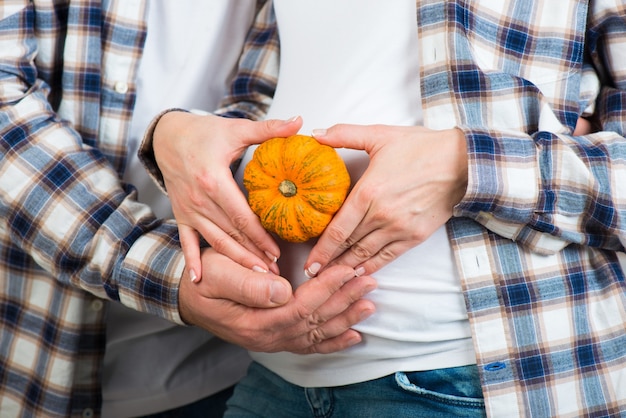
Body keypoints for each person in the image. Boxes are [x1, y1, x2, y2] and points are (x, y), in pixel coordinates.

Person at [145, 0, 626, 416]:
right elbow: (264, 102)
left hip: (468, 377)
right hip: (274, 373)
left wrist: (464, 166)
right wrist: (179, 135)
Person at [0, 1, 377, 417]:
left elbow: (270, 96)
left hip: (224, 370)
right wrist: (166, 271)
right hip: (36, 352)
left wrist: (190, 143)